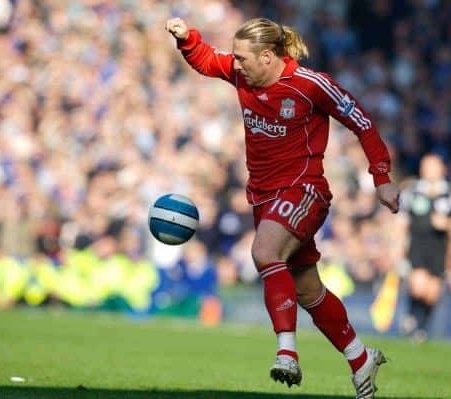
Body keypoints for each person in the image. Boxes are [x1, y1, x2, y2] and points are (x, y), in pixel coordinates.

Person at [166, 17, 400, 399]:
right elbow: (209, 60)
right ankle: (361, 358)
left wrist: (382, 176)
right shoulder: (243, 74)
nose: (235, 64)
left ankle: (287, 352)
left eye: (243, 58)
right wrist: (188, 39)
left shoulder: (310, 85)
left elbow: (362, 121)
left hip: (304, 190)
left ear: (268, 56)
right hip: (263, 197)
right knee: (308, 290)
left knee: (263, 251)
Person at [400, 154, 451, 339]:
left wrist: (446, 223)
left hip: (439, 247)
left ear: (442, 169)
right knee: (418, 286)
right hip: (418, 245)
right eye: (426, 166)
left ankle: (420, 329)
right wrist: (398, 246)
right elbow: (401, 221)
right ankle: (411, 317)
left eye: (433, 166)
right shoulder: (412, 190)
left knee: (432, 294)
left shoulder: (450, 192)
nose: (428, 170)